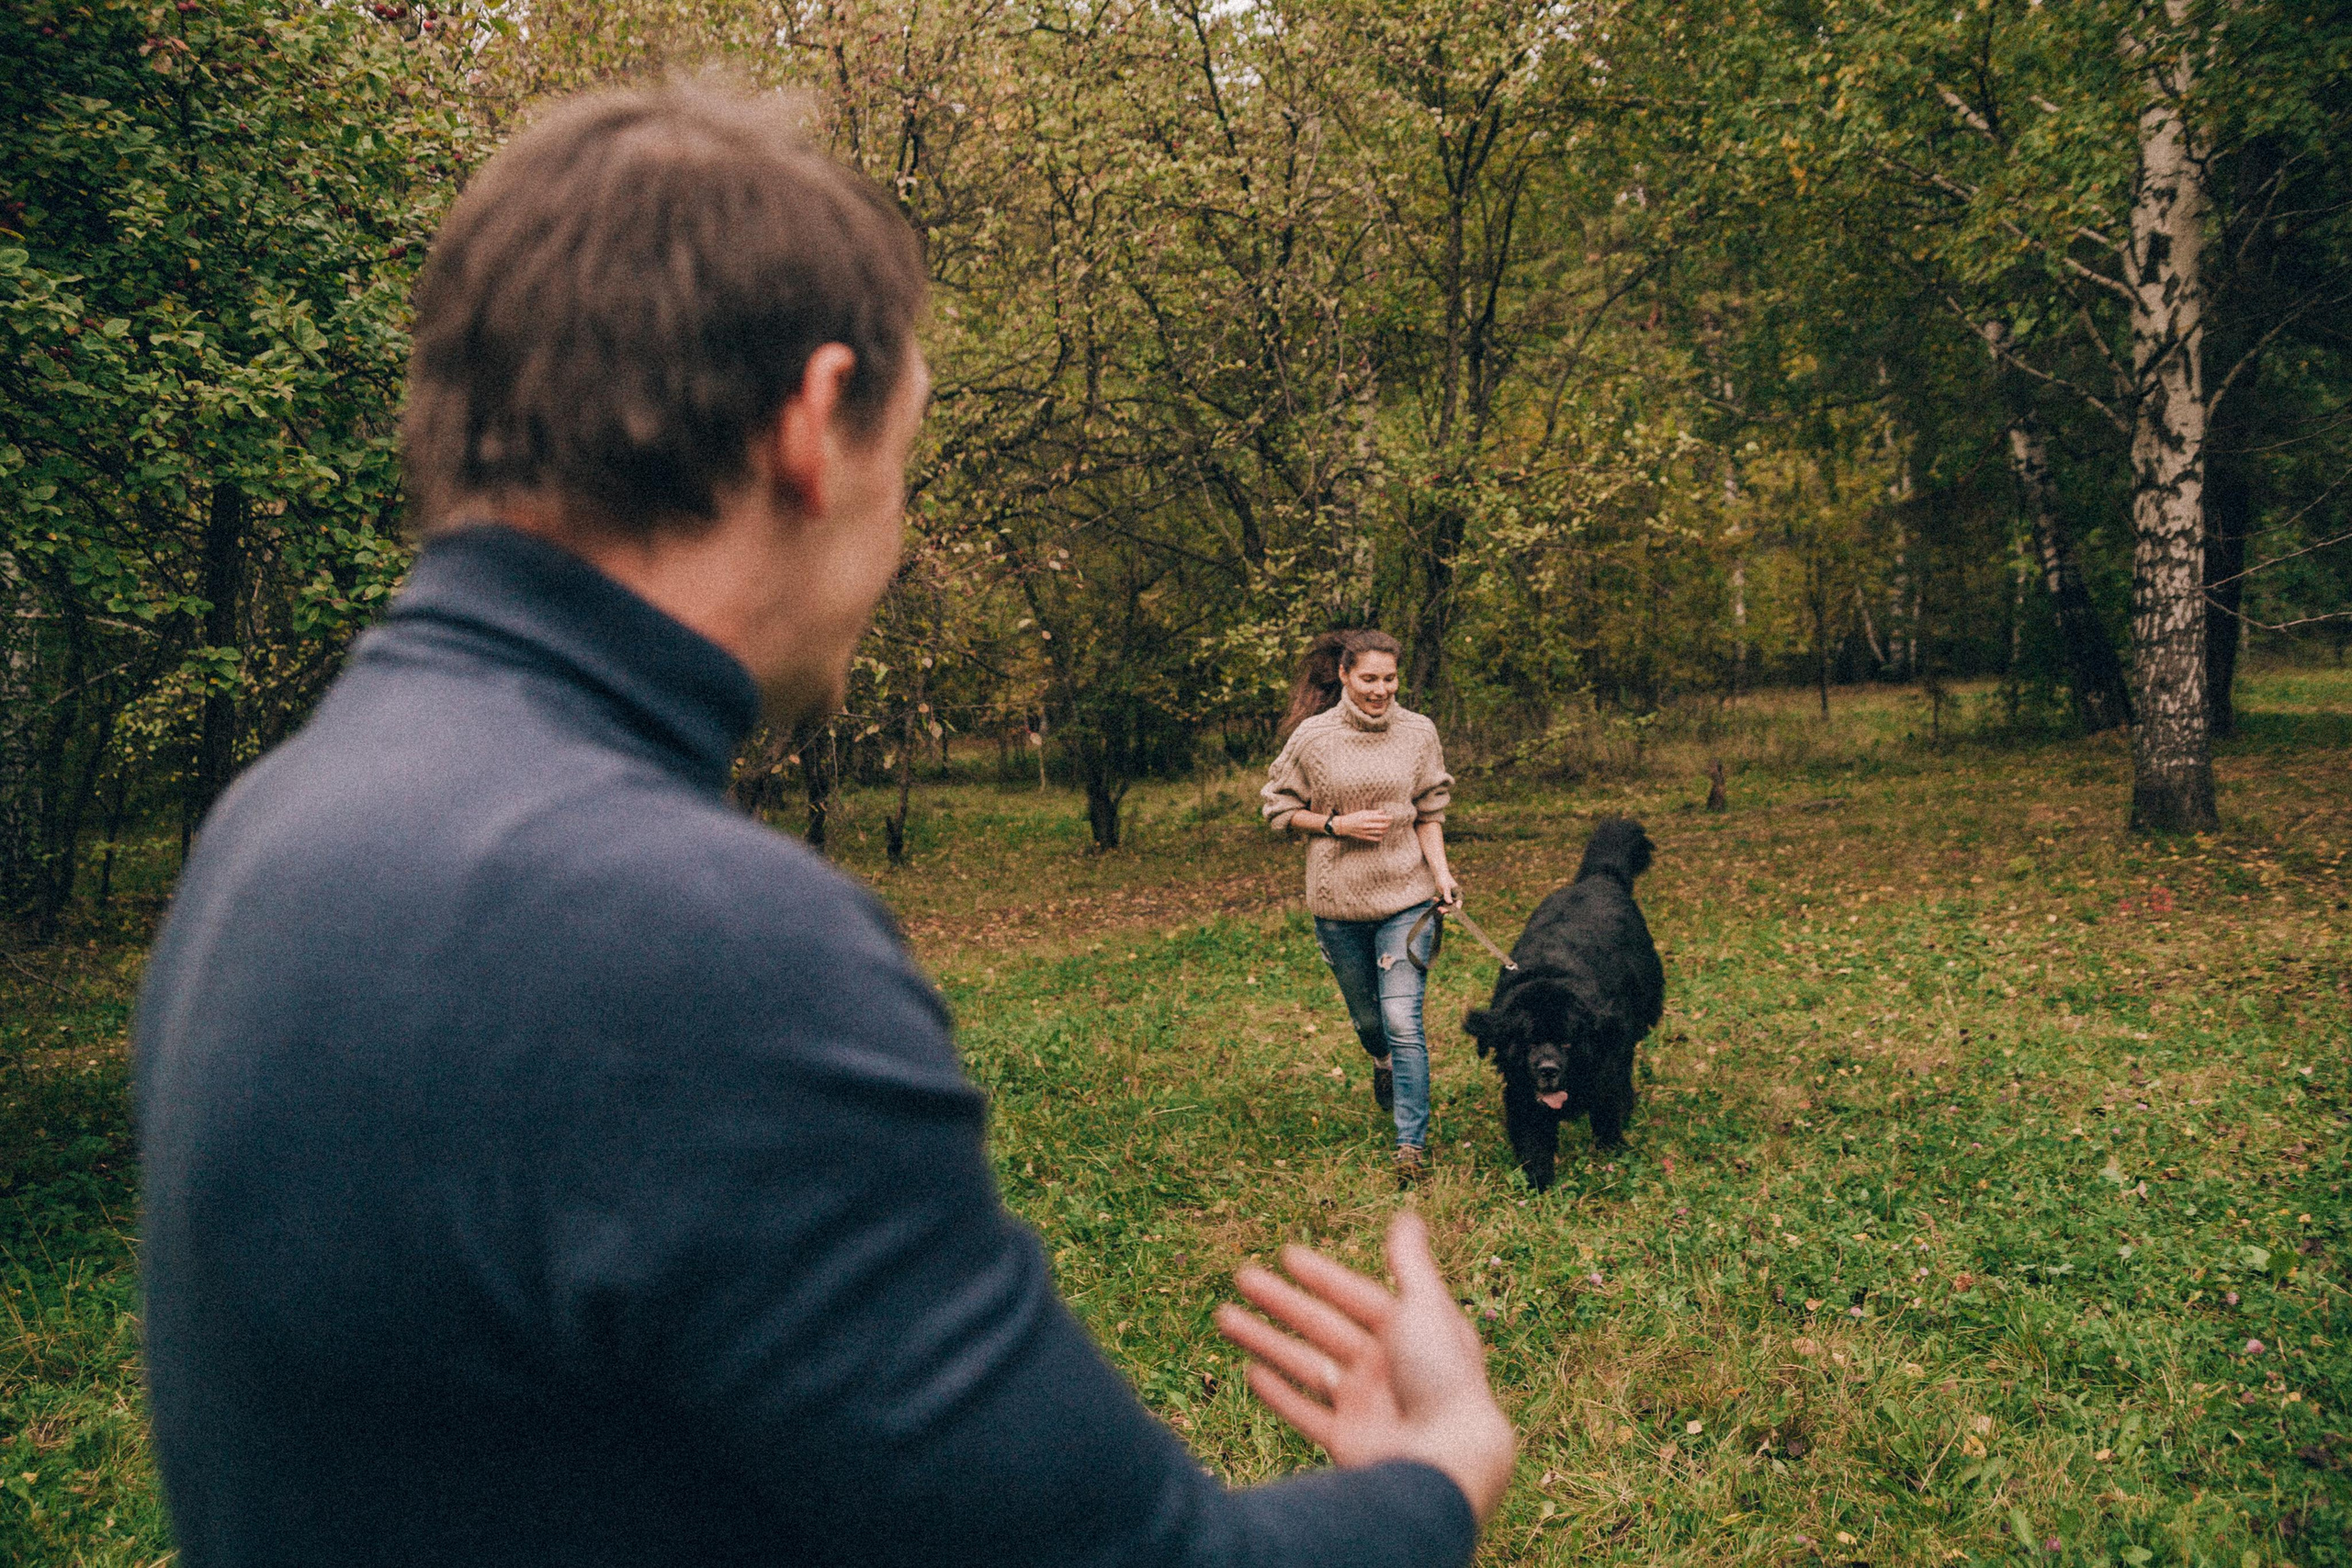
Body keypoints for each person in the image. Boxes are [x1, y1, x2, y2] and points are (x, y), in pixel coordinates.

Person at [133, 85, 1514, 1567]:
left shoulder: (271, 826)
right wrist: (1442, 1466)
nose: (899, 531)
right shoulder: (691, 934)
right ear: (812, 423)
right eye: (904, 455)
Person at [1261, 631, 1460, 1183]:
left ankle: (1410, 1146)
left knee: (1403, 1019)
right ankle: (1381, 1062)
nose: (1380, 690)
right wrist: (1333, 824)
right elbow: (1278, 807)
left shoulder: (1418, 733)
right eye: (1369, 678)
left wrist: (1441, 876)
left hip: (1407, 898)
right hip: (1339, 903)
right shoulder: (1314, 738)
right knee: (1371, 1021)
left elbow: (1429, 811)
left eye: (1389, 679)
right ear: (1345, 675)